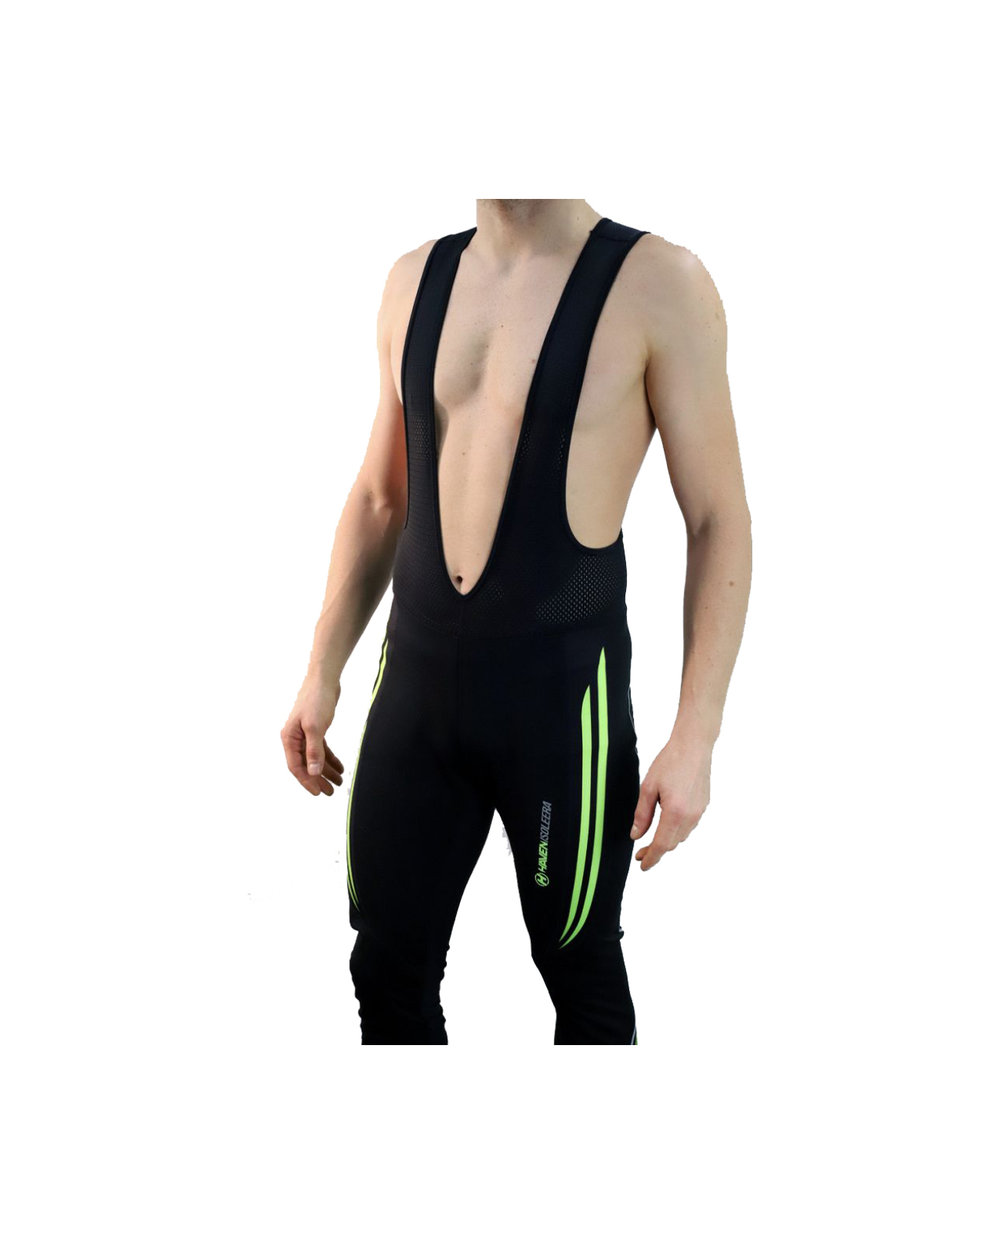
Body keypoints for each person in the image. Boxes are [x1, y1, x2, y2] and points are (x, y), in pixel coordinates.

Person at [280, 199, 751, 1044]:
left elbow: (718, 519)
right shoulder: (413, 279)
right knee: (385, 970)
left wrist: (697, 736)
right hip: (415, 693)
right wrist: (322, 669)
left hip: (562, 710)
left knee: (580, 973)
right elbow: (382, 496)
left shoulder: (660, 284)